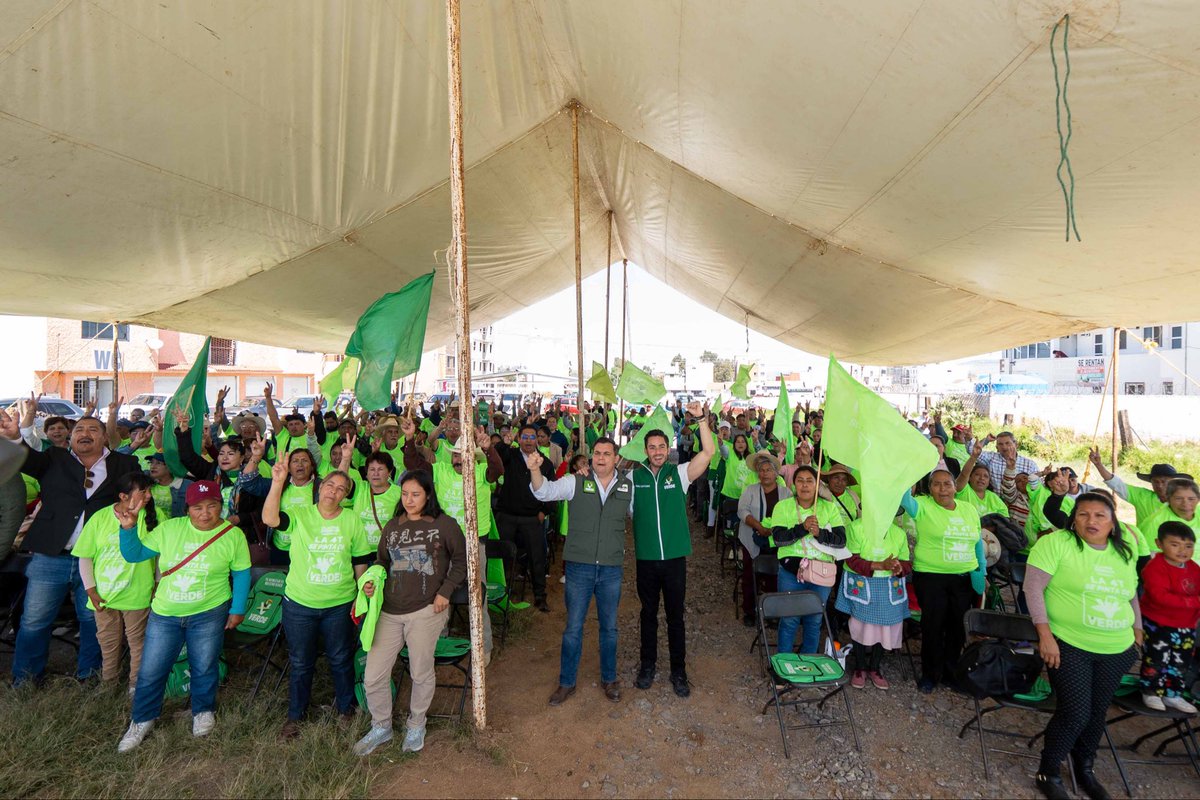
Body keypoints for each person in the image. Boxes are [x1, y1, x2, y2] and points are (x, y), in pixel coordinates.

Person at [1, 411, 142, 685]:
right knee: (34, 621)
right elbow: (27, 459)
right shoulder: (54, 458)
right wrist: (15, 437)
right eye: (78, 430)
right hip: (51, 555)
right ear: (70, 436)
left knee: (93, 620)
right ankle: (26, 680)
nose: (84, 433)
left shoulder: (125, 464)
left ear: (104, 437)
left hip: (98, 558)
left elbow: (135, 497)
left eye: (92, 429)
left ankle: (89, 676)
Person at [115, 480, 251, 752]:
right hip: (166, 613)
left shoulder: (232, 535)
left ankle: (203, 710)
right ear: (187, 509)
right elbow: (134, 554)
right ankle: (142, 719)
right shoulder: (169, 529)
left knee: (204, 665)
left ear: (220, 507)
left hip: (209, 612)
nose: (205, 513)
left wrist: (237, 609)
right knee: (152, 670)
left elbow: (242, 572)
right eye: (198, 507)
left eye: (212, 506)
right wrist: (128, 528)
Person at [1025, 492, 1141, 800]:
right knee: (1075, 712)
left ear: (1113, 522)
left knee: (1097, 712)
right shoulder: (1055, 544)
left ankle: (1084, 768)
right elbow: (1033, 587)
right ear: (1073, 519)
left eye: (1100, 515)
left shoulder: (1124, 552)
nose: (1091, 521)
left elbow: (1129, 594)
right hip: (1069, 643)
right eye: (1084, 514)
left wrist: (1137, 629)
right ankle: (1048, 771)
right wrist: (1045, 635)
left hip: (1117, 648)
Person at [353, 470, 467, 757]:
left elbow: (462, 560)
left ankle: (417, 723)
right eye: (405, 494)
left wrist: (446, 591)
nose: (409, 500)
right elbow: (381, 561)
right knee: (373, 675)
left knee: (420, 671)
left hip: (426, 610)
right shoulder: (393, 526)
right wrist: (371, 583)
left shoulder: (445, 525)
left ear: (428, 494)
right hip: (389, 610)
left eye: (416, 494)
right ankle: (381, 726)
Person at [262, 452, 372, 740]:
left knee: (340, 657)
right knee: (300, 661)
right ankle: (295, 716)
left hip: (339, 603)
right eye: (330, 485)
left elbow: (361, 560)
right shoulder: (301, 515)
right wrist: (277, 482)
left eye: (341, 489)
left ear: (345, 496)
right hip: (300, 603)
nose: (333, 491)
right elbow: (270, 518)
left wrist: (363, 596)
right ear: (320, 487)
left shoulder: (351, 520)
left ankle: (346, 709)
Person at [530, 437, 632, 706]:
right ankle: (567, 683)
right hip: (579, 568)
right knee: (573, 628)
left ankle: (609, 679)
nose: (600, 458)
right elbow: (544, 491)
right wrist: (534, 469)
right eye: (596, 454)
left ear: (616, 458)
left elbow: (644, 512)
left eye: (606, 454)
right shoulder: (576, 482)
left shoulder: (627, 486)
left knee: (609, 628)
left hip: (610, 568)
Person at [630, 403, 713, 698]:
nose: (657, 451)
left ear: (668, 448)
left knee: (675, 616)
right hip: (647, 560)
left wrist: (702, 420)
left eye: (661, 446)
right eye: (651, 447)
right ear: (645, 450)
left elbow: (708, 453)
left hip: (675, 559)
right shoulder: (633, 479)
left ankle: (679, 671)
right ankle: (647, 665)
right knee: (648, 614)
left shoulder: (678, 474)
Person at [402, 418, 501, 663]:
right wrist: (409, 439)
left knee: (478, 596)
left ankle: (483, 647)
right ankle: (440, 640)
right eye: (455, 455)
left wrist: (489, 448)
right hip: (444, 546)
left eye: (463, 455)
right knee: (439, 593)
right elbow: (413, 463)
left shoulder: (481, 471)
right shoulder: (442, 471)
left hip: (474, 544)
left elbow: (497, 471)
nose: (458, 459)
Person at [70, 472, 157, 691]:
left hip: (138, 593)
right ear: (123, 496)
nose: (148, 495)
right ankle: (108, 684)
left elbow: (161, 559)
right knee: (108, 642)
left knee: (138, 643)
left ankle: (135, 687)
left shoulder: (155, 517)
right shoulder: (100, 517)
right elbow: (85, 556)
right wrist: (90, 589)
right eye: (143, 491)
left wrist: (157, 585)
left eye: (149, 491)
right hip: (104, 594)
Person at [900, 469, 984, 694]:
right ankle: (930, 674)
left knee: (957, 627)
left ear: (955, 487)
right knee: (933, 626)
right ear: (929, 488)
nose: (942, 489)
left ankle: (950, 672)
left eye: (947, 484)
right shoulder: (922, 506)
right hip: (931, 577)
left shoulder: (969, 509)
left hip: (964, 578)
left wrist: (981, 572)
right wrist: (909, 465)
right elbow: (902, 497)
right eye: (936, 484)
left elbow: (978, 544)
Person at [759, 465, 847, 655]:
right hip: (791, 573)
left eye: (810, 481)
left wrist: (820, 533)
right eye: (800, 480)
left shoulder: (829, 508)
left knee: (814, 620)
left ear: (817, 485)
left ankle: (809, 663)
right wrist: (802, 528)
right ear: (793, 484)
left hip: (821, 574)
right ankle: (784, 665)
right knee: (789, 619)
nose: (805, 485)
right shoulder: (783, 507)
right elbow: (779, 539)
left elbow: (841, 540)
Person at [836, 515, 912, 690]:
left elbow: (907, 562)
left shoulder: (898, 533)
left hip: (888, 585)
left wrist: (900, 567)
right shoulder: (856, 528)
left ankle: (875, 667)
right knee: (859, 625)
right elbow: (851, 558)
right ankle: (860, 667)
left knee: (886, 626)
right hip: (863, 583)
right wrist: (880, 565)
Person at [1138, 521, 1200, 713]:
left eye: (1188, 546)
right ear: (1159, 543)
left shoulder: (1194, 568)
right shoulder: (1154, 567)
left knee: (1182, 662)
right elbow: (1160, 597)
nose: (1183, 550)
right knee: (1156, 659)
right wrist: (1194, 602)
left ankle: (1173, 694)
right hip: (1158, 624)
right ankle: (1150, 692)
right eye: (1175, 544)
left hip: (1186, 625)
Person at [495, 423, 556, 612]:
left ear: (537, 440)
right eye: (525, 437)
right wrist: (505, 443)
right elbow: (496, 458)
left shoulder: (544, 463)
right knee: (499, 556)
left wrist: (543, 512)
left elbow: (552, 490)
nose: (529, 441)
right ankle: (498, 593)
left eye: (532, 437)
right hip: (507, 515)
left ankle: (540, 596)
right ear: (519, 439)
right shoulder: (510, 456)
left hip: (532, 517)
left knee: (537, 557)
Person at [737, 451, 788, 627]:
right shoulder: (750, 490)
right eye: (761, 470)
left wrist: (775, 530)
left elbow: (790, 515)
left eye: (768, 470)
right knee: (751, 575)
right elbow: (742, 511)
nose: (764, 473)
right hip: (752, 539)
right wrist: (758, 526)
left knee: (775, 576)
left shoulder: (785, 492)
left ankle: (772, 612)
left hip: (777, 541)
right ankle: (750, 611)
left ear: (775, 473)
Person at [1088, 451, 1189, 530]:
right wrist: (1099, 465)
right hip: (1145, 551)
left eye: (1164, 481)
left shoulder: (1184, 502)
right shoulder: (1141, 496)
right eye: (1156, 482)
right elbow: (1116, 484)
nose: (1160, 485)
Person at [954, 440, 1010, 518]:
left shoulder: (993, 497)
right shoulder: (964, 490)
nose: (981, 478)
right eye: (977, 475)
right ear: (970, 477)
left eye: (985, 476)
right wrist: (973, 457)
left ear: (989, 481)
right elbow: (963, 475)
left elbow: (1004, 518)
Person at [1145, 478, 1200, 543]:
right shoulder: (1155, 522)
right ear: (1168, 499)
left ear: (1198, 499)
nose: (1185, 504)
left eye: (1191, 499)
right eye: (1178, 499)